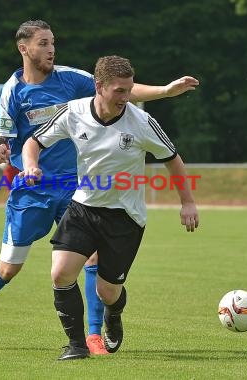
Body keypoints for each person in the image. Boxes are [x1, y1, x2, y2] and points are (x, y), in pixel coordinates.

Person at [0, 20, 199, 354]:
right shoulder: (12, 91)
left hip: (78, 188)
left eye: (53, 43)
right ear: (24, 48)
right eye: (43, 43)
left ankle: (91, 335)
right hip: (33, 188)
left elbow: (121, 89)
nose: (51, 50)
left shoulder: (70, 78)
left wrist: (163, 91)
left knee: (90, 257)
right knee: (9, 268)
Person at [20, 55, 199, 360]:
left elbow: (172, 159)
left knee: (108, 293)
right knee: (61, 273)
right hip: (83, 208)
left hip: (124, 218)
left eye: (129, 90)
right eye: (119, 91)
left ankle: (113, 315)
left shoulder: (141, 122)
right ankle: (76, 345)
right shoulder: (74, 112)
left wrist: (187, 202)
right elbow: (33, 142)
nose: (126, 98)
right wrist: (30, 165)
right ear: (99, 87)